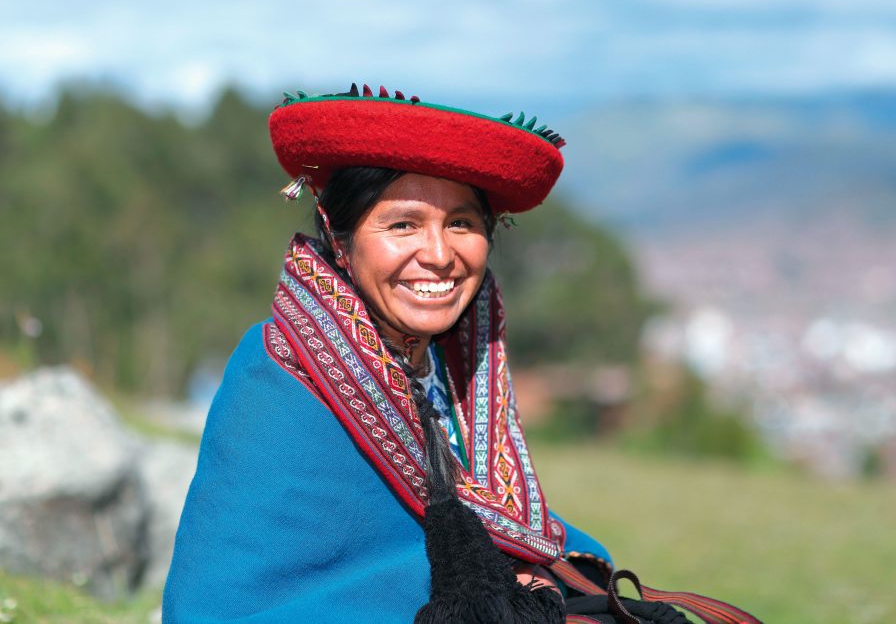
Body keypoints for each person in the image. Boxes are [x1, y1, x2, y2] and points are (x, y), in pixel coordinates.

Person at [163, 85, 761, 624]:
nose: (439, 254)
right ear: (339, 238)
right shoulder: (277, 376)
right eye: (402, 225)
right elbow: (221, 605)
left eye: (461, 223)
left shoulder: (456, 367)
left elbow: (491, 524)